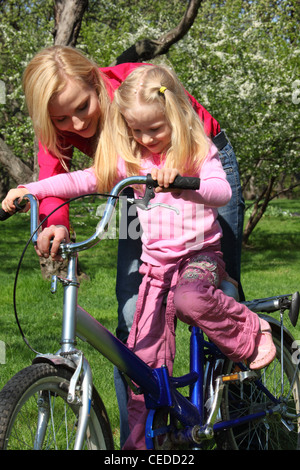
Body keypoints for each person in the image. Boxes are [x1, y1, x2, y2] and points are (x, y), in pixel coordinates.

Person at [2, 64, 276, 450]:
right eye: (136, 132)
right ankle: (141, 445)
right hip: (157, 264)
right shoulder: (131, 157)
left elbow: (220, 190)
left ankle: (250, 346)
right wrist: (29, 188)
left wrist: (185, 180)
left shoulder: (190, 145)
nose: (146, 139)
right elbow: (79, 178)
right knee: (139, 361)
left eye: (154, 130)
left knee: (196, 299)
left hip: (198, 250)